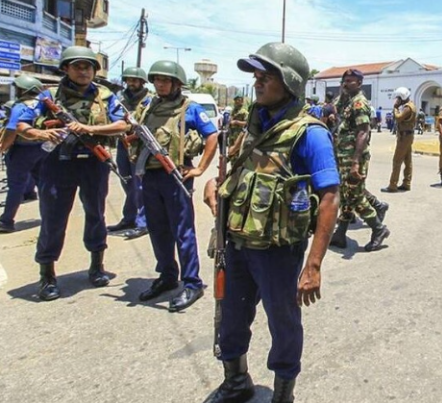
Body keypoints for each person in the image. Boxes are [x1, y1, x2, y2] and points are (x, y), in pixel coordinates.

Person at [202, 42, 339, 403]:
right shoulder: (254, 123)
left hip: (278, 252)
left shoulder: (310, 133)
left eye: (267, 76)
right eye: (256, 76)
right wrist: (215, 184)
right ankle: (236, 381)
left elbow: (330, 198)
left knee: (284, 325)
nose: (258, 83)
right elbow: (238, 172)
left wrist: (313, 265)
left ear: (290, 83)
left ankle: (283, 394)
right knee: (230, 317)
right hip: (236, 243)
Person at [16, 46, 129, 301]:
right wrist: (41, 133)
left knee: (96, 215)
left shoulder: (105, 95)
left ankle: (97, 265)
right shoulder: (49, 95)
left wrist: (88, 128)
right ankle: (47, 274)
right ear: (66, 68)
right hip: (57, 163)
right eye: (77, 66)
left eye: (88, 67)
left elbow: (123, 123)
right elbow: (21, 124)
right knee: (53, 219)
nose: (83, 71)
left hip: (94, 162)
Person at [132, 60, 217, 312]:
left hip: (175, 176)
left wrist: (200, 168)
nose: (160, 84)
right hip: (150, 177)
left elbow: (212, 135)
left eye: (165, 80)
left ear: (177, 83)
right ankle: (168, 276)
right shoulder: (147, 106)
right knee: (157, 229)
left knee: (183, 232)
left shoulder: (189, 109)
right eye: (157, 79)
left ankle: (192, 282)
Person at [328, 69, 390, 251]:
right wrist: (342, 90)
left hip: (354, 156)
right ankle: (340, 234)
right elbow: (335, 107)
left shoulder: (359, 103)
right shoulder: (346, 100)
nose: (346, 83)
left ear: (360, 83)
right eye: (344, 80)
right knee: (346, 195)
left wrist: (355, 162)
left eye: (351, 81)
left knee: (354, 196)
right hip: (342, 155)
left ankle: (379, 229)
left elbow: (364, 131)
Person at [107, 67, 152, 240]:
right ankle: (129, 218)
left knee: (139, 186)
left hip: (140, 146)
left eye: (135, 80)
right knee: (126, 181)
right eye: (129, 80)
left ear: (142, 82)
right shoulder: (119, 99)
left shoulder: (149, 101)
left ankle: (143, 222)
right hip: (122, 144)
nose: (131, 83)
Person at [0, 75, 46, 233]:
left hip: (21, 150)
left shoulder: (20, 106)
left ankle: (6, 221)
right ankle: (49, 218)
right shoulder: (44, 105)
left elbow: (12, 130)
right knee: (44, 185)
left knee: (16, 186)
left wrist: (2, 147)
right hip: (42, 149)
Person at [382, 87, 416, 192]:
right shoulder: (411, 105)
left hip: (404, 137)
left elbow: (398, 117)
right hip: (407, 136)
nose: (397, 100)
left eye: (398, 98)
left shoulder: (407, 107)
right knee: (407, 160)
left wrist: (395, 107)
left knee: (397, 160)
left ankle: (393, 185)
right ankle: (406, 183)